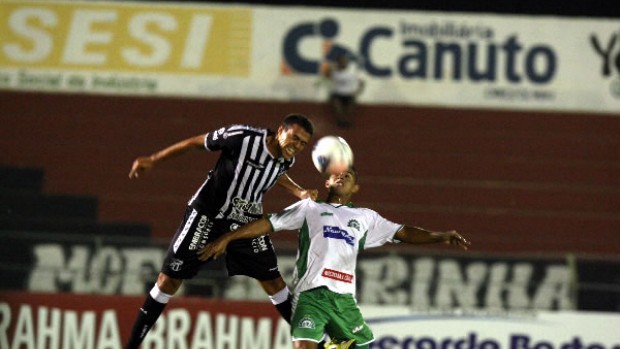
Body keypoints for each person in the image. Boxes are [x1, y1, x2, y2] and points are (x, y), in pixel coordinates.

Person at [198, 167, 471, 349]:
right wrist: (227, 238)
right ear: (327, 181)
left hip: (344, 299)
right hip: (311, 295)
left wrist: (441, 236)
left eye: (348, 176)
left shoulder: (365, 217)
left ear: (356, 189)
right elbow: (268, 223)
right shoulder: (310, 208)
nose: (342, 177)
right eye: (337, 174)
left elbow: (404, 232)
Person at [124, 113, 318, 349]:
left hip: (245, 221)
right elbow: (195, 142)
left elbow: (273, 173)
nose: (296, 146)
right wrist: (154, 159)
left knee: (274, 284)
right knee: (168, 280)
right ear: (280, 131)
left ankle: (319, 344)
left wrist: (299, 192)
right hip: (208, 215)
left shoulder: (288, 159)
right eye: (294, 138)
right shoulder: (242, 137)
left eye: (302, 144)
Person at [322, 54, 365, 128]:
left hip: (349, 94)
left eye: (344, 62)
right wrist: (332, 66)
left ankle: (346, 121)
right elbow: (326, 75)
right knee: (338, 108)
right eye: (341, 62)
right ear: (338, 63)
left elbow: (362, 82)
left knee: (349, 109)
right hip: (338, 94)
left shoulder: (352, 73)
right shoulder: (334, 72)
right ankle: (342, 121)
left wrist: (359, 91)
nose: (343, 63)